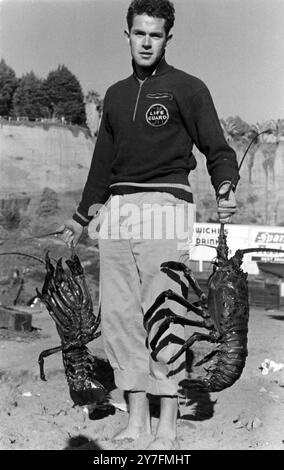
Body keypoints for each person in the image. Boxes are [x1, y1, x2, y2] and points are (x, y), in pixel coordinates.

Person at [60, 0, 239, 450]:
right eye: (139, 33)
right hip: (117, 208)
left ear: (166, 38)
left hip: (167, 202)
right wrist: (82, 216)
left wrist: (225, 186)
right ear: (127, 35)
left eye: (154, 34)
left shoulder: (188, 88)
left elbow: (216, 147)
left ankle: (167, 425)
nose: (146, 41)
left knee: (165, 313)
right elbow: (103, 163)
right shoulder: (117, 95)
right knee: (120, 317)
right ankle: (136, 421)